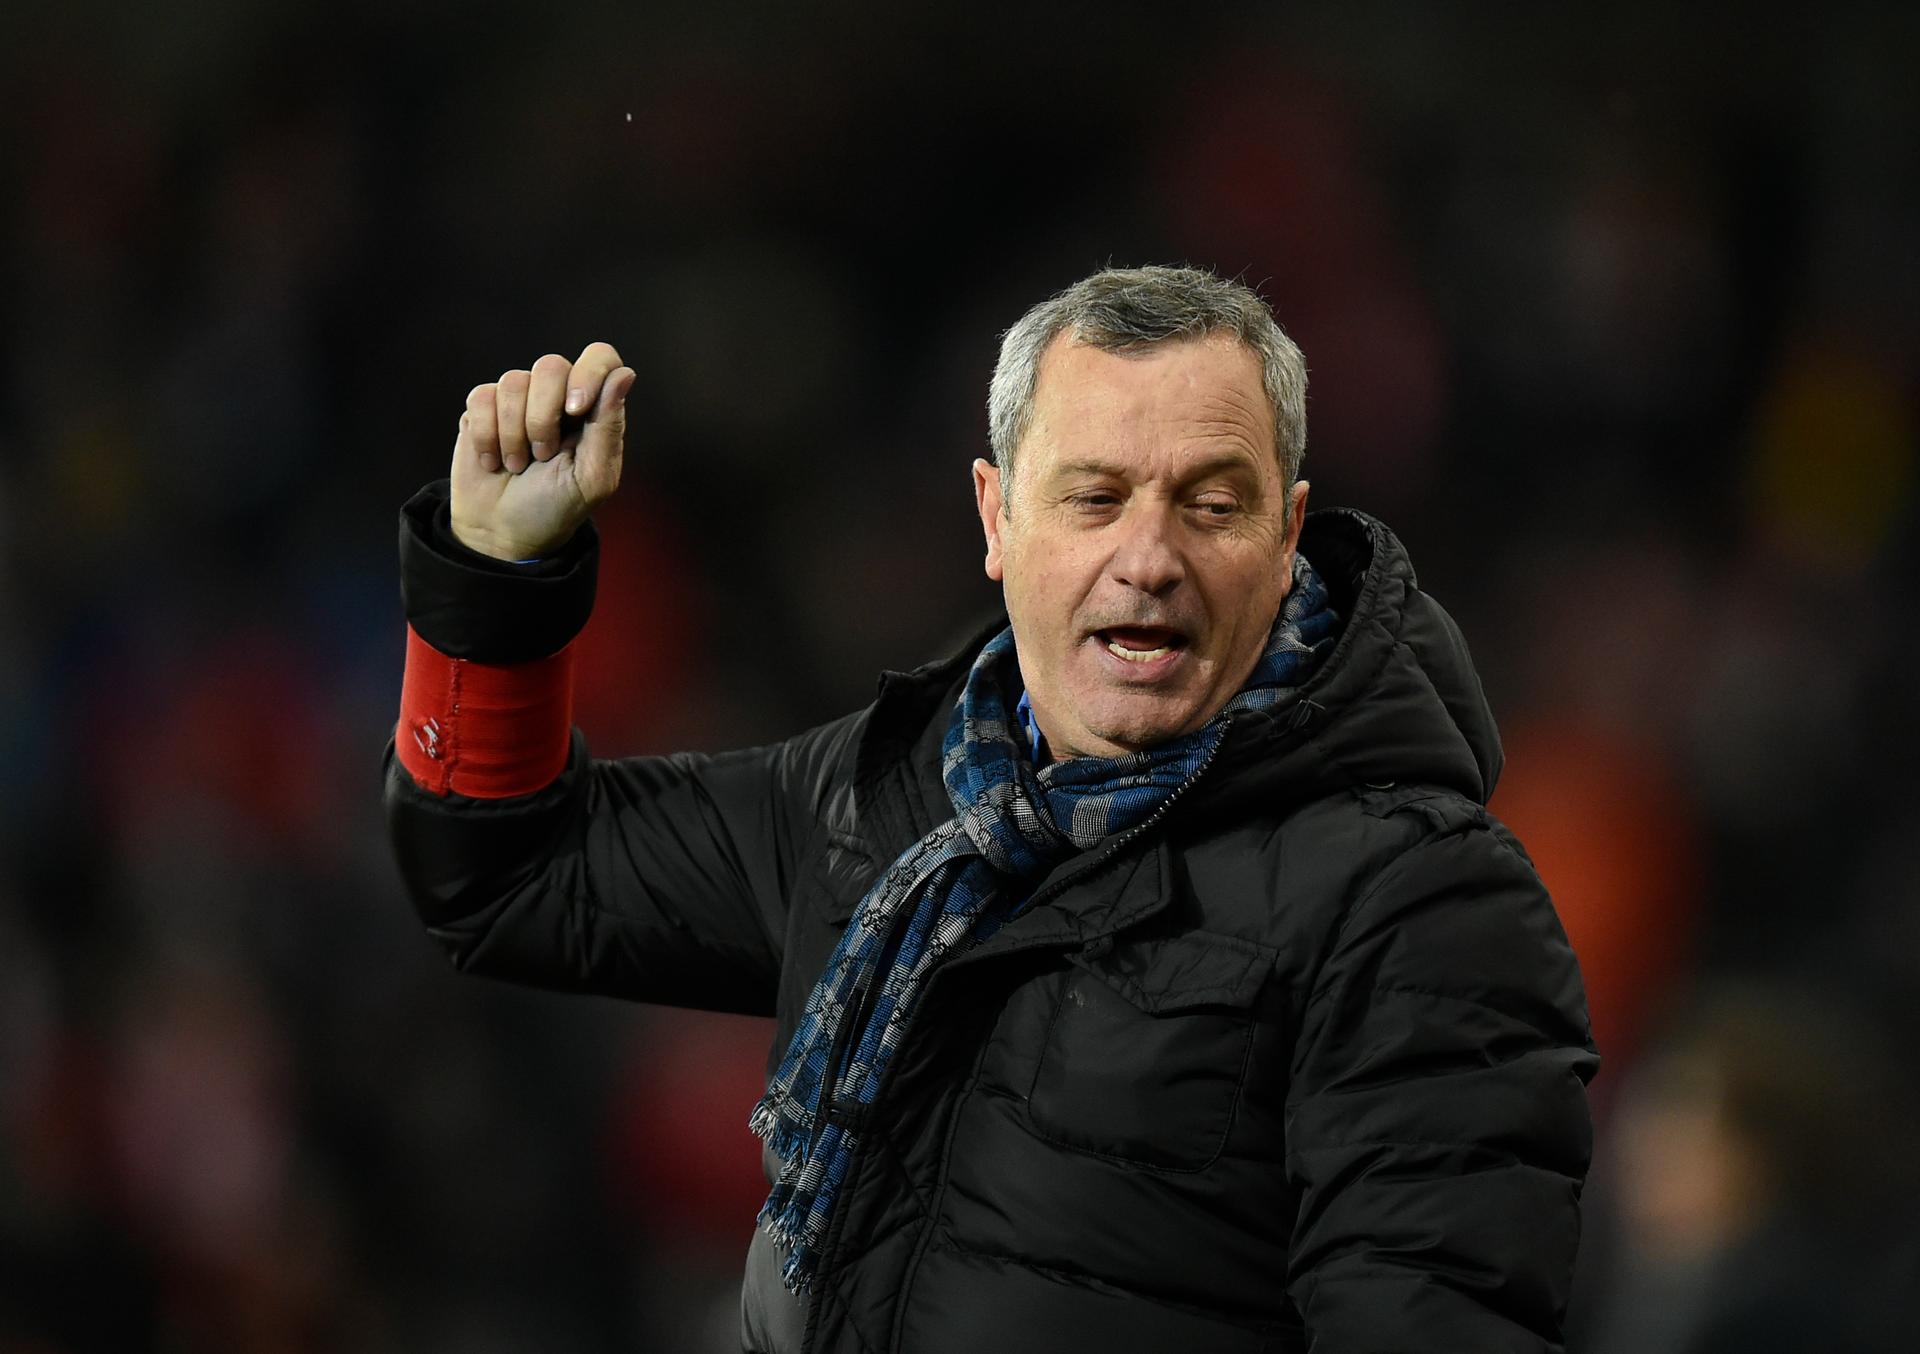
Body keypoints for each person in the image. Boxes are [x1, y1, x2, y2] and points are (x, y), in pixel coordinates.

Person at [383, 265, 1599, 1354]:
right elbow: (513, 876)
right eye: (1093, 496)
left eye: (1212, 504)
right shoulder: (884, 798)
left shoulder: (1419, 898)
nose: (1148, 556)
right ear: (995, 519)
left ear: (1288, 534)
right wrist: (495, 585)